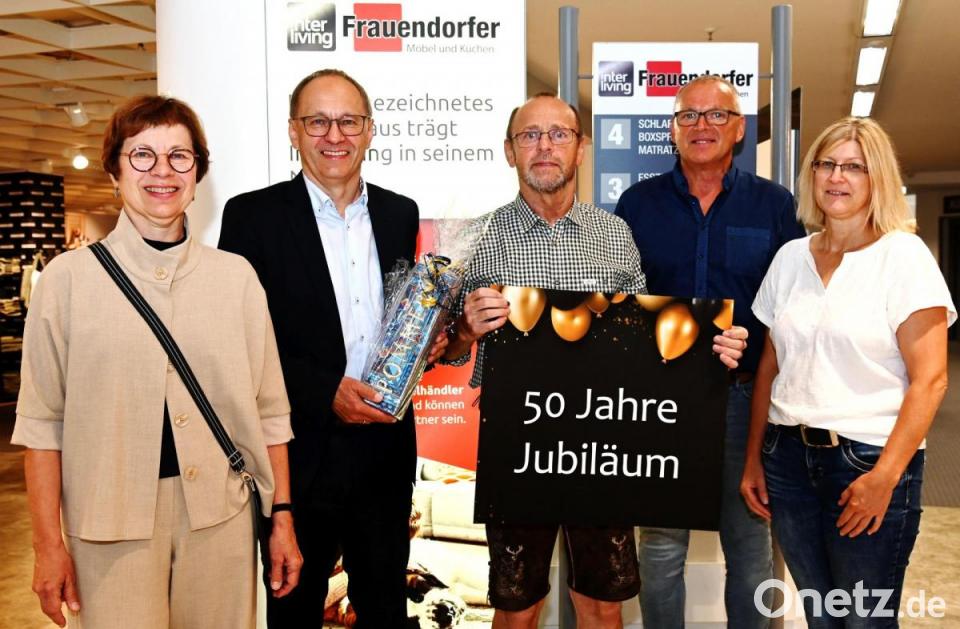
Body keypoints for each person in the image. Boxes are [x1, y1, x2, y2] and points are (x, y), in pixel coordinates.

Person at [443, 92, 748, 629]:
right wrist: (465, 329)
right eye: (530, 135)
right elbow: (444, 352)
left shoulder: (615, 234)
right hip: (518, 447)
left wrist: (711, 349)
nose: (545, 146)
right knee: (516, 608)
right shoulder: (476, 239)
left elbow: (651, 347)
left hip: (605, 447)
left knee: (603, 605)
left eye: (558, 134)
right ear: (509, 151)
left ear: (581, 149)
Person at [12, 95, 301, 629]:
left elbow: (270, 415)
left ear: (198, 173)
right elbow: (42, 427)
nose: (162, 171)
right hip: (107, 528)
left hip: (221, 520)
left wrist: (281, 516)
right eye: (142, 155)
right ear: (115, 170)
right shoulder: (66, 282)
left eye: (179, 156)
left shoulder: (236, 279)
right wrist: (48, 545)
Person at [219, 68, 445, 628]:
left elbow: (397, 318)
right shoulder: (252, 217)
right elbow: (237, 341)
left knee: (385, 612)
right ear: (293, 131)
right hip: (297, 458)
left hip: (385, 452)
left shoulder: (399, 213)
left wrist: (426, 340)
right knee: (294, 613)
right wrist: (326, 392)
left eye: (348, 121)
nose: (335, 135)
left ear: (370, 130)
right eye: (318, 121)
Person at [741, 117, 955, 627]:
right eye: (827, 164)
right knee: (821, 615)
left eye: (855, 167)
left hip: (866, 461)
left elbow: (931, 379)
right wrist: (753, 459)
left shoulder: (903, 257)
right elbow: (770, 366)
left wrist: (885, 478)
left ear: (878, 178)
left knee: (865, 619)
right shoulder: (790, 257)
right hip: (787, 459)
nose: (837, 177)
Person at [614, 75, 806, 628]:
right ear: (673, 129)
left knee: (748, 546)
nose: (702, 126)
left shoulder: (774, 204)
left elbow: (789, 307)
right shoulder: (637, 204)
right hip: (660, 399)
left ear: (739, 128)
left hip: (743, 399)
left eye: (717, 114)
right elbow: (622, 301)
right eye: (689, 115)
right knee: (660, 548)